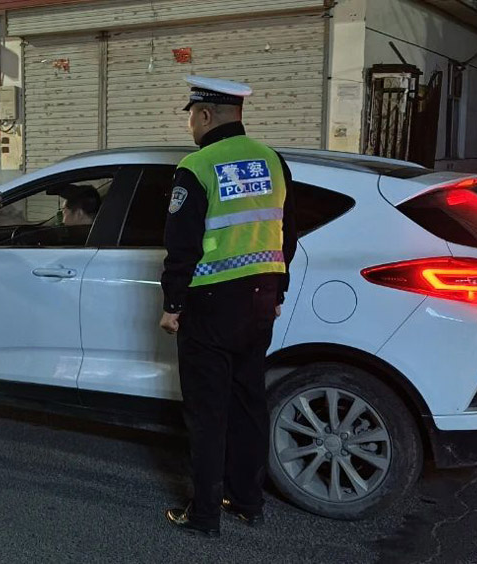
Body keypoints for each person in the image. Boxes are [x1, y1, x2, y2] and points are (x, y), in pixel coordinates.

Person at [160, 76, 297, 536]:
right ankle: (247, 501)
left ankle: (203, 516)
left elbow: (181, 245)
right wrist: (277, 291)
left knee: (207, 413)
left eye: (191, 118)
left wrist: (173, 303)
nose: (191, 127)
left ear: (203, 115)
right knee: (248, 404)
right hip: (259, 301)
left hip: (211, 303)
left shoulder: (198, 166)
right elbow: (285, 231)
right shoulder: (272, 160)